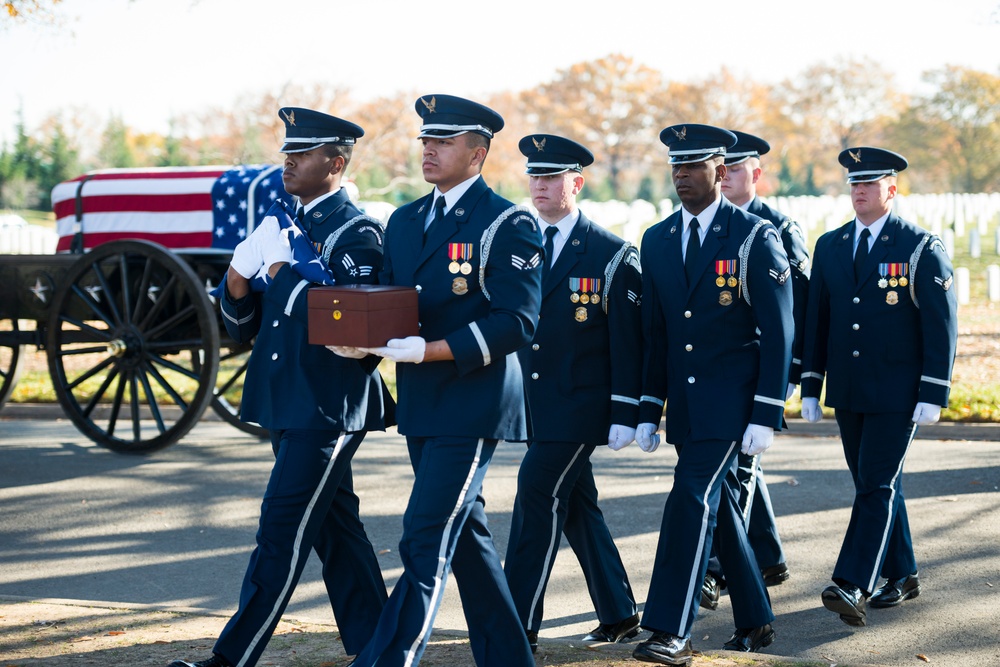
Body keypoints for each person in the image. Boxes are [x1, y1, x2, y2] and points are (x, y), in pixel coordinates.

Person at [168, 108, 391, 667]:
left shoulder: (357, 233)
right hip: (287, 401)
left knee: (280, 534)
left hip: (328, 405)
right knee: (337, 532)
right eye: (287, 150)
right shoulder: (286, 224)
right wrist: (238, 284)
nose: (288, 160)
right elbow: (251, 325)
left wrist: (281, 271)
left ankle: (231, 660)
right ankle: (379, 649)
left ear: (335, 163)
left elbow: (348, 326)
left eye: (305, 152)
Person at [334, 94, 543, 667]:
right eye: (426, 140)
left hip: (474, 403)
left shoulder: (508, 222)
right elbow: (387, 306)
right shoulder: (403, 221)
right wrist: (356, 340)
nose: (429, 149)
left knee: (424, 532)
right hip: (423, 406)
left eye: (444, 142)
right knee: (464, 536)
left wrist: (428, 351)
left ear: (477, 155)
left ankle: (385, 658)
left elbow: (517, 321)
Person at [631, 124, 793, 665]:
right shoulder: (656, 240)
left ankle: (671, 629)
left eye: (692, 167)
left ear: (720, 173)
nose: (681, 176)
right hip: (687, 404)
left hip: (735, 404)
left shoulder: (752, 237)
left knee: (691, 497)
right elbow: (656, 334)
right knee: (720, 508)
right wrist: (647, 409)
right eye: (675, 167)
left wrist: (768, 411)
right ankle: (756, 618)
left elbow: (778, 331)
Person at [800, 147, 958, 627]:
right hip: (849, 389)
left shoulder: (919, 247)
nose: (860, 191)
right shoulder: (830, 245)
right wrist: (811, 382)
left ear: (892, 189)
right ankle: (903, 573)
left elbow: (941, 325)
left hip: (898, 391)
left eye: (870, 183)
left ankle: (852, 583)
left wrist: (934, 391)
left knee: (875, 484)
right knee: (875, 483)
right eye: (854, 183)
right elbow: (818, 321)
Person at [503, 134, 642, 652]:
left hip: (582, 406)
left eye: (551, 177)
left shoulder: (611, 253)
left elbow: (630, 345)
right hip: (533, 405)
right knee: (578, 505)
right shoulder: (515, 242)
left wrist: (630, 412)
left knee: (536, 494)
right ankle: (620, 610)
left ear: (575, 183)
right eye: (533, 177)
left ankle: (516, 625)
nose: (539, 185)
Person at [698, 130, 811, 609]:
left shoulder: (778, 229)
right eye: (723, 169)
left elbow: (800, 308)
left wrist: (795, 373)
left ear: (756, 175)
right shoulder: (709, 223)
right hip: (720, 370)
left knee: (740, 469)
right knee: (745, 465)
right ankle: (766, 555)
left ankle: (715, 569)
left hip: (764, 368)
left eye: (738, 170)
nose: (727, 179)